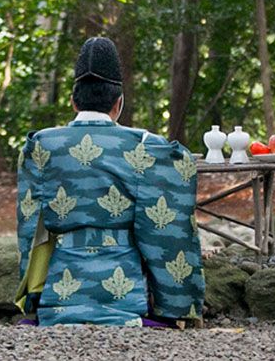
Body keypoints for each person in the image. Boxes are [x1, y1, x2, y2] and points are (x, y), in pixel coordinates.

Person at [13, 37, 205, 326]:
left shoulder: (39, 145)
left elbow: (31, 227)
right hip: (125, 295)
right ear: (118, 103)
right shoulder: (145, 145)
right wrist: (175, 305)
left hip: (60, 292)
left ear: (73, 101)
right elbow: (171, 229)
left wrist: (31, 297)